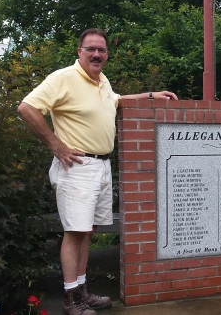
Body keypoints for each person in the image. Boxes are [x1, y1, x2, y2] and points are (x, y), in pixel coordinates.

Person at [18, 28, 178, 315]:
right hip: (77, 167)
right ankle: (71, 300)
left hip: (101, 166)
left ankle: (82, 291)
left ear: (106, 54)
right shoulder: (63, 78)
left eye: (101, 50)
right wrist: (56, 145)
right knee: (74, 232)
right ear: (79, 51)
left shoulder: (101, 81)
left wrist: (151, 95)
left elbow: (115, 101)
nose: (96, 54)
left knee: (87, 232)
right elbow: (27, 107)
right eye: (90, 49)